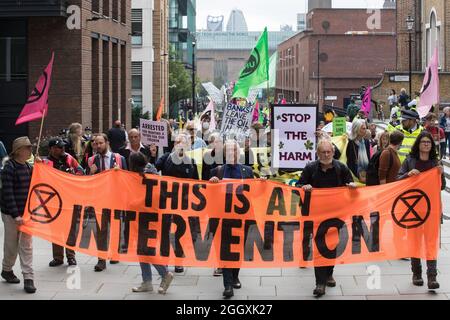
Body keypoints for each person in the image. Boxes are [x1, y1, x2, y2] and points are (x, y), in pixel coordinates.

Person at [297, 139, 356, 297]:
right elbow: (298, 185)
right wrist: (304, 187)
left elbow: (351, 184)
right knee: (319, 246)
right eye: (323, 152)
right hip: (316, 215)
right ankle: (320, 283)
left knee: (332, 245)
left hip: (335, 214)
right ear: (317, 153)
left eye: (328, 151)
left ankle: (329, 272)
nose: (326, 154)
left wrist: (351, 186)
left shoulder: (341, 168)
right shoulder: (310, 168)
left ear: (333, 152)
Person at [397, 131, 445, 289]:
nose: (426, 144)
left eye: (429, 142)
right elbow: (398, 180)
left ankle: (432, 277)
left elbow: (442, 186)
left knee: (431, 242)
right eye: (423, 141)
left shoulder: (435, 163)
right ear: (418, 144)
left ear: (432, 146)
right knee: (415, 241)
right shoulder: (410, 161)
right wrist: (408, 175)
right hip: (413, 210)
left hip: (431, 210)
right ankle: (416, 273)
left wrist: (441, 175)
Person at [209, 140, 255, 299]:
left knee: (238, 248)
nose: (231, 154)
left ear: (238, 153)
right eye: (228, 152)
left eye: (234, 151)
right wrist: (212, 184)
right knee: (224, 249)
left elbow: (254, 193)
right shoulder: (217, 171)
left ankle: (235, 276)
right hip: (221, 218)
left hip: (241, 218)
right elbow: (208, 194)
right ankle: (228, 285)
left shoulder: (247, 171)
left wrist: (261, 184)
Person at [128, 152, 174, 294]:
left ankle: (164, 273)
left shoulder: (148, 176)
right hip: (145, 217)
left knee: (146, 250)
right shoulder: (147, 173)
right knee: (142, 250)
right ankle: (147, 281)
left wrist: (133, 203)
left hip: (148, 218)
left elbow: (150, 197)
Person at [155, 133, 198, 273]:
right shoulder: (165, 157)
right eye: (177, 141)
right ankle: (164, 260)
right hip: (166, 201)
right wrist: (151, 154)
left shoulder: (191, 162)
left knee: (181, 232)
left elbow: (196, 184)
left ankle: (178, 260)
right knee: (164, 232)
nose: (180, 144)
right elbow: (153, 171)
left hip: (182, 203)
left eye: (183, 142)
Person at [38, 138, 84, 267]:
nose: (63, 149)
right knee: (56, 229)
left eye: (63, 147)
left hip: (70, 199)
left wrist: (74, 177)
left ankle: (71, 256)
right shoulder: (45, 163)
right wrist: (37, 166)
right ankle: (58, 257)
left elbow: (81, 170)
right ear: (52, 149)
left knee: (70, 229)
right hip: (54, 201)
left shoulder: (69, 158)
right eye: (59, 147)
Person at [0, 137, 36, 293]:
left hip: (26, 215)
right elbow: (7, 193)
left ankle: (28, 277)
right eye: (28, 148)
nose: (30, 150)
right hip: (11, 215)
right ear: (19, 150)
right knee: (11, 245)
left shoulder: (28, 166)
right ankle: (7, 270)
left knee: (26, 246)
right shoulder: (9, 167)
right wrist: (15, 215)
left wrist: (40, 168)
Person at [87, 134, 127, 271]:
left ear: (107, 143)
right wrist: (91, 173)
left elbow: (127, 179)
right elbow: (85, 182)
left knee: (115, 227)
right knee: (101, 230)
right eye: (96, 143)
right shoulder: (91, 160)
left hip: (115, 199)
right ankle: (101, 260)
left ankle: (115, 253)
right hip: (100, 200)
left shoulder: (119, 159)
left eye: (100, 143)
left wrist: (119, 173)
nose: (98, 146)